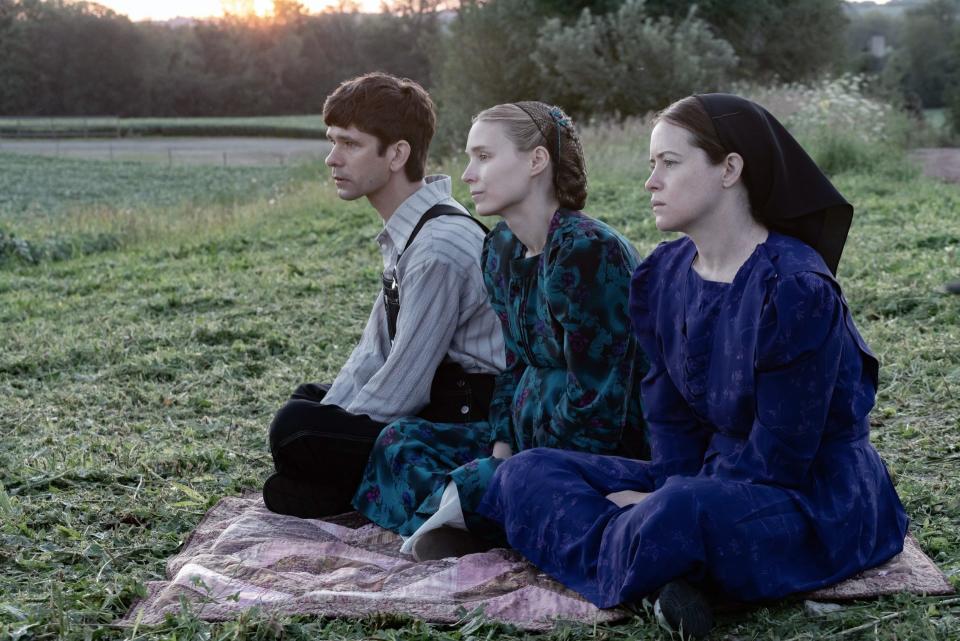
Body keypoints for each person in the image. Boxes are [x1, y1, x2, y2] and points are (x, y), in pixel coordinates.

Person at [478, 94, 909, 639]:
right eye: (651, 165)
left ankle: (646, 554)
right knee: (525, 472)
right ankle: (661, 571)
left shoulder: (795, 288)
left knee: (681, 510)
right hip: (702, 475)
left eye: (669, 163)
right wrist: (665, 485)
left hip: (810, 496)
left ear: (730, 169)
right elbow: (669, 416)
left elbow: (781, 455)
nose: (650, 182)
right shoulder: (663, 273)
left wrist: (663, 499)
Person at [353, 102, 649, 561]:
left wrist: (520, 470)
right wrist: (502, 447)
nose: (468, 174)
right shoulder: (501, 249)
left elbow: (600, 402)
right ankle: (486, 518)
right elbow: (513, 367)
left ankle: (487, 514)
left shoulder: (588, 252)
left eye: (484, 157)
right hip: (526, 439)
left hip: (596, 449)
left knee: (497, 481)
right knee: (399, 443)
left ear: (536, 161)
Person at [263, 72, 505, 518]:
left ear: (396, 154)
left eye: (350, 144)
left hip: (463, 423)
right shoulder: (411, 230)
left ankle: (358, 485)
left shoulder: (439, 247)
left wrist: (329, 434)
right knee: (306, 404)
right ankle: (346, 486)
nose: (331, 159)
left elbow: (403, 386)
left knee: (294, 429)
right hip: (432, 399)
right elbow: (374, 352)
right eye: (332, 141)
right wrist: (334, 415)